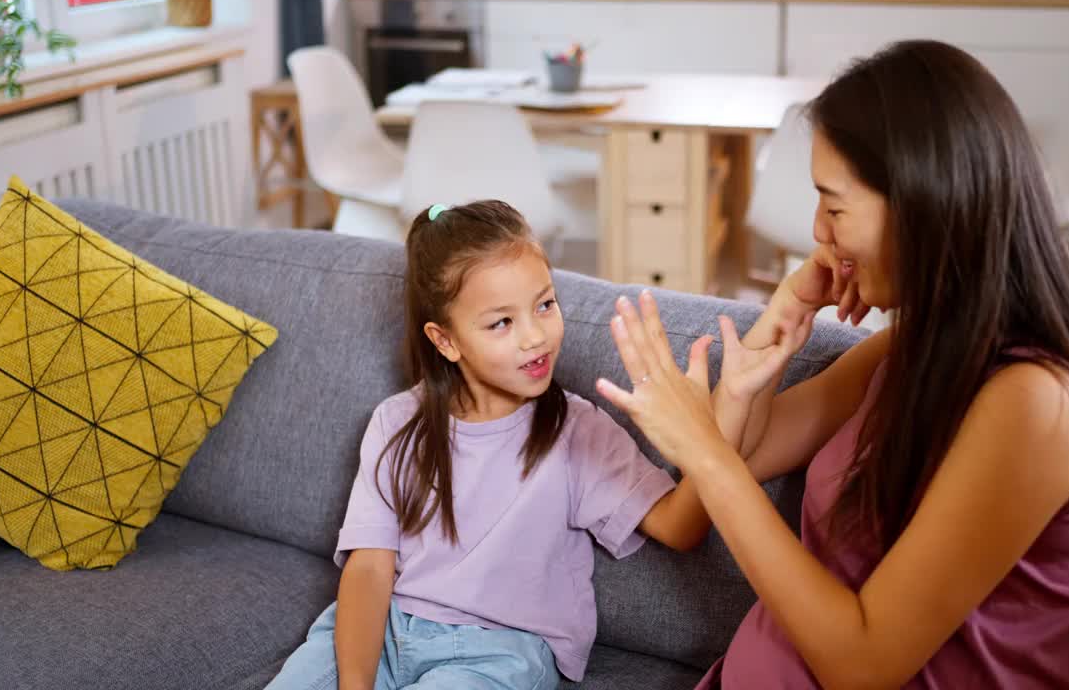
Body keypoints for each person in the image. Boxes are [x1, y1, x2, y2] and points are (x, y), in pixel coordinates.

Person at [594, 40, 1069, 689]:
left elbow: (864, 664)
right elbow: (750, 455)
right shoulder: (917, 347)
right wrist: (780, 321)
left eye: (835, 205)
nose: (818, 231)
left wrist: (707, 448)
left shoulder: (1033, 404)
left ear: (925, 206)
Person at [267, 200, 732, 690]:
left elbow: (683, 527)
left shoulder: (576, 429)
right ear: (445, 341)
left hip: (501, 650)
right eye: (501, 323)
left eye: (545, 305)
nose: (535, 337)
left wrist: (723, 416)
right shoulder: (395, 422)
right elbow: (369, 567)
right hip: (386, 628)